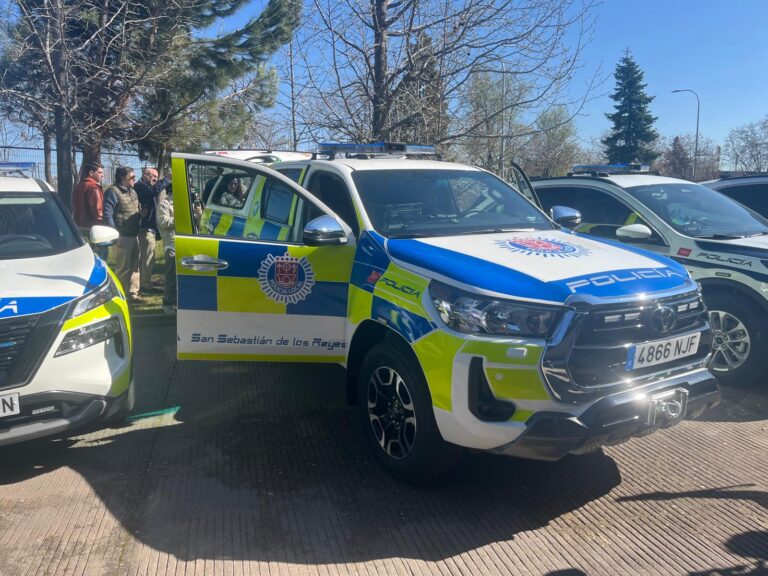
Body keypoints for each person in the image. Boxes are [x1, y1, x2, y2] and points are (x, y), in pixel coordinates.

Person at [157, 184, 202, 313]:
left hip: (190, 242)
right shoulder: (164, 204)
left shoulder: (189, 203)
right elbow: (164, 223)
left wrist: (198, 212)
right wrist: (183, 215)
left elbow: (200, 222)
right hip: (172, 244)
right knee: (172, 276)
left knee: (188, 275)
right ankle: (168, 304)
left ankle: (183, 303)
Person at [103, 167, 142, 303]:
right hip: (122, 236)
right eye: (131, 177)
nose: (134, 180)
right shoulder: (112, 192)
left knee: (135, 266)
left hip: (134, 233)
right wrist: (115, 235)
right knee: (123, 268)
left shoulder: (133, 192)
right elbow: (107, 214)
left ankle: (133, 294)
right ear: (122, 178)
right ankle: (120, 295)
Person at [134, 167, 170, 296]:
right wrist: (165, 180)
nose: (155, 179)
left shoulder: (146, 187)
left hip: (150, 228)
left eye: (156, 177)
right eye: (153, 176)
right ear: (145, 175)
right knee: (147, 258)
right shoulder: (140, 186)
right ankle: (145, 286)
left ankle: (145, 282)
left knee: (146, 258)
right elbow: (152, 192)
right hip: (144, 229)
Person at [72, 162, 107, 258]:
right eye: (100, 173)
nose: (102, 175)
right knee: (99, 258)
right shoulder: (93, 188)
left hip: (79, 226)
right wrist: (103, 227)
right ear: (91, 173)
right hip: (93, 229)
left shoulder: (79, 186)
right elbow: (98, 211)